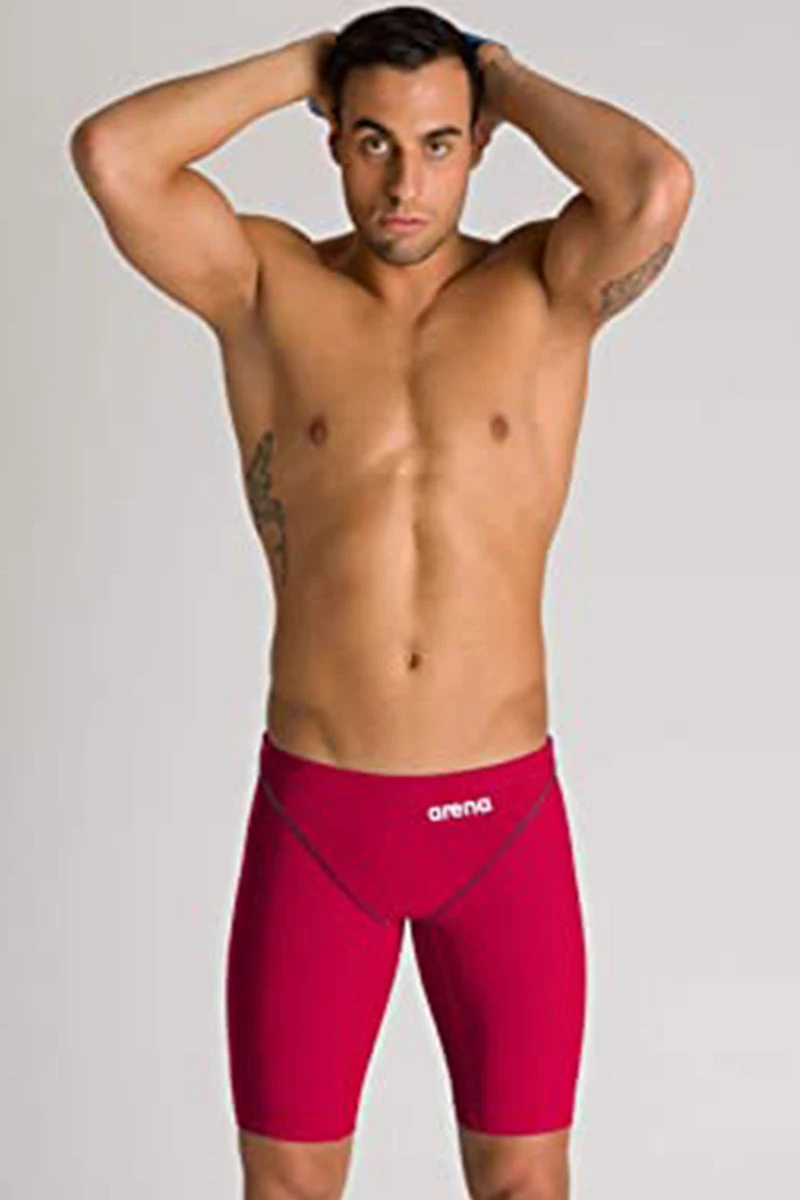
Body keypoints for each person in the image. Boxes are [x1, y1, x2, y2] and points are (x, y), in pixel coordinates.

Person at [69, 6, 694, 1198]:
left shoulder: (544, 289)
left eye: (438, 143)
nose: (404, 183)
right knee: (287, 1190)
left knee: (524, 1186)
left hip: (498, 822)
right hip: (320, 820)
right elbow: (114, 156)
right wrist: (300, 64)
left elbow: (654, 185)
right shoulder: (265, 286)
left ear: (480, 143)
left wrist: (497, 73)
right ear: (332, 140)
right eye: (372, 142)